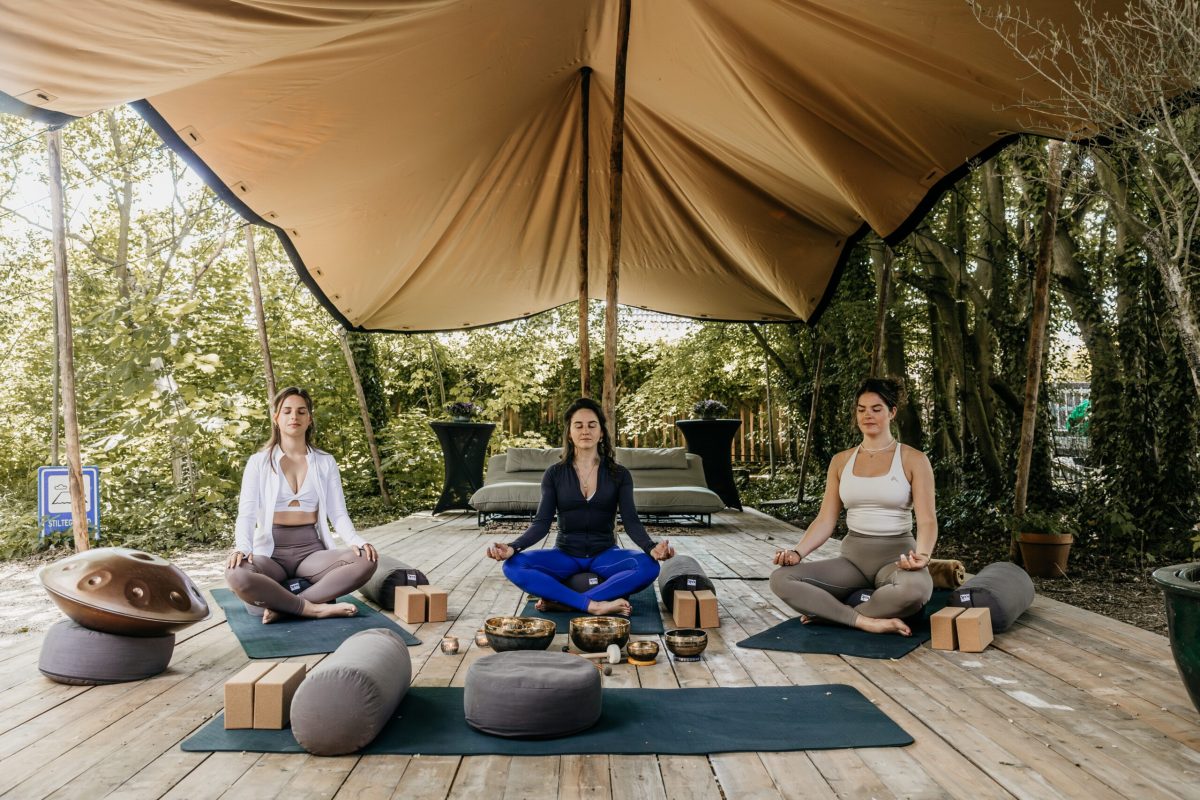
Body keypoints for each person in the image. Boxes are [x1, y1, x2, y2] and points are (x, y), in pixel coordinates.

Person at [769, 377, 936, 635]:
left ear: (892, 412)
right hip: (852, 561)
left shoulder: (914, 459)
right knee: (781, 578)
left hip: (897, 558)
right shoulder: (840, 461)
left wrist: (922, 556)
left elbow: (927, 520)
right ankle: (865, 621)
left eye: (876, 409)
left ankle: (832, 615)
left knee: (915, 591)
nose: (868, 415)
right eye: (861, 409)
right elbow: (825, 519)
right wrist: (797, 552)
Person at [486, 397, 675, 616]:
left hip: (605, 555)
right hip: (565, 555)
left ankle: (566, 603)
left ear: (601, 433)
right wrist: (513, 547)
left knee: (649, 566)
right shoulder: (554, 474)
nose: (585, 431)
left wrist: (652, 548)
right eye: (579, 425)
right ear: (569, 433)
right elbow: (541, 524)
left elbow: (631, 522)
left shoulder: (619, 474)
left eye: (592, 425)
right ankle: (594, 605)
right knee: (513, 566)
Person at [225, 386, 379, 624]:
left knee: (367, 560)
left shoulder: (325, 461)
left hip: (311, 551)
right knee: (236, 574)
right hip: (271, 553)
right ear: (276, 418)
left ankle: (287, 607)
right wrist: (242, 548)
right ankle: (314, 609)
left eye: (301, 411)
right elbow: (246, 514)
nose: (294, 417)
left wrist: (356, 540)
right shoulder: (259, 462)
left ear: (310, 418)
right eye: (286, 411)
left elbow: (338, 512)